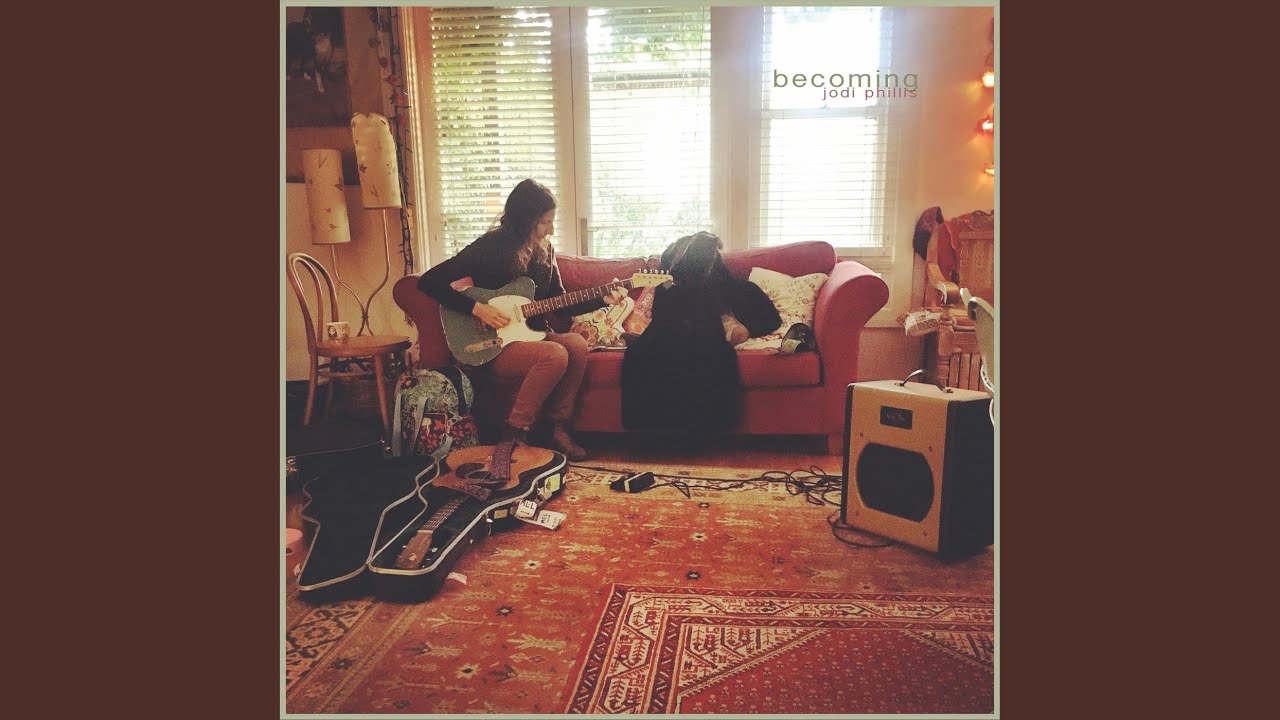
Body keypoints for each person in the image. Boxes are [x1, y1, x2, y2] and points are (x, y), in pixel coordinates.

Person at [417, 179, 626, 460]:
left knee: (576, 345)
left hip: (531, 334)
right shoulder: (490, 246)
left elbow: (560, 304)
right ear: (525, 219)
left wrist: (603, 298)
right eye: (544, 222)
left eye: (552, 221)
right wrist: (477, 308)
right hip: (493, 343)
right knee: (554, 354)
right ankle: (514, 434)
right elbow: (429, 281)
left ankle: (557, 428)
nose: (551, 229)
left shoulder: (545, 251)